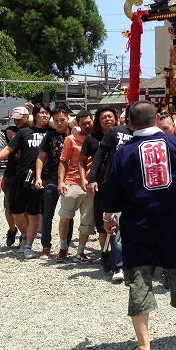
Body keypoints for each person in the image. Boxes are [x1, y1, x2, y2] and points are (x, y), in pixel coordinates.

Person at [102, 100, 176, 350]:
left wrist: (108, 217)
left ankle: (143, 346)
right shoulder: (174, 144)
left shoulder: (124, 153)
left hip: (140, 228)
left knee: (139, 280)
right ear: (156, 119)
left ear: (130, 124)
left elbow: (113, 191)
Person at [0, 103, 52, 259]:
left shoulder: (52, 132)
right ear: (33, 116)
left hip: (43, 177)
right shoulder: (24, 133)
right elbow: (8, 149)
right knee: (16, 212)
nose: (44, 115)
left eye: (47, 113)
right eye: (41, 113)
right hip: (22, 175)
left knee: (35, 212)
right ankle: (24, 234)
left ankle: (28, 245)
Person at [88, 105, 134, 278]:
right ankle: (118, 265)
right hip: (113, 182)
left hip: (135, 185)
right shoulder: (115, 131)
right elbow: (99, 156)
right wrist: (92, 179)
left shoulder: (144, 133)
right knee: (116, 224)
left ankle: (133, 262)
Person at [78, 106, 118, 274]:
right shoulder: (91, 138)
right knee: (101, 218)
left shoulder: (122, 134)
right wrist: (84, 179)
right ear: (98, 120)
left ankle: (120, 255)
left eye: (110, 116)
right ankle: (105, 252)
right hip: (99, 181)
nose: (107, 119)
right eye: (104, 117)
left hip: (119, 181)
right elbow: (82, 160)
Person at [56, 111, 95, 263]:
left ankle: (80, 251)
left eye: (89, 122)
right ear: (78, 124)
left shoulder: (98, 138)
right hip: (72, 182)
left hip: (90, 185)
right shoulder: (70, 140)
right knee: (65, 216)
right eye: (83, 123)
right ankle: (63, 247)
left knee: (87, 220)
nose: (87, 125)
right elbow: (63, 161)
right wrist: (61, 182)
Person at [35, 106, 72, 259]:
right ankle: (46, 246)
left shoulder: (74, 135)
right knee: (47, 214)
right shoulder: (50, 136)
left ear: (68, 118)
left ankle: (65, 246)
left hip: (71, 179)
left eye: (62, 120)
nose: (59, 123)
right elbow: (40, 157)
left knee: (68, 215)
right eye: (56, 120)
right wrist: (38, 177)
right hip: (51, 178)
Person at [2, 106, 30, 247]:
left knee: (25, 209)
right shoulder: (11, 130)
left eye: (19, 119)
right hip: (12, 174)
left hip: (27, 173)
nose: (17, 121)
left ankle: (24, 234)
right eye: (15, 119)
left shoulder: (34, 130)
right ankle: (12, 229)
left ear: (27, 117)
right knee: (9, 208)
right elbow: (17, 141)